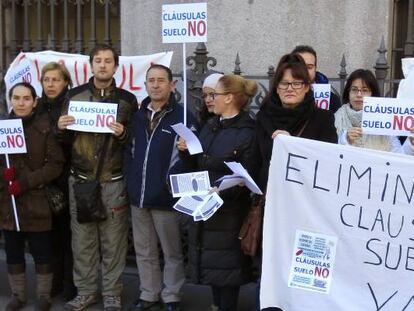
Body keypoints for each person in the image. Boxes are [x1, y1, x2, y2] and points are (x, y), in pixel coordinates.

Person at [255, 53, 338, 311]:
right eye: (284, 84)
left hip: (309, 212)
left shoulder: (322, 119)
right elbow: (258, 161)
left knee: (306, 276)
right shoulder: (263, 118)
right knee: (272, 273)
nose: (290, 89)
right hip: (274, 209)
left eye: (297, 83)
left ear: (306, 87)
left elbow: (328, 163)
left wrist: (293, 145)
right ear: (276, 87)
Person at [57, 44, 138, 311]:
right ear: (91, 65)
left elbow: (135, 143)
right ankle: (86, 291)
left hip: (113, 181)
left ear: (116, 66)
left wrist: (123, 134)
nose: (102, 65)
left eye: (107, 61)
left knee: (113, 241)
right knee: (82, 241)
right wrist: (61, 129)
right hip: (80, 180)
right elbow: (64, 142)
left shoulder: (127, 100)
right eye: (98, 61)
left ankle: (112, 293)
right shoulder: (75, 96)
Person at [177, 74, 257, 311]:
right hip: (204, 208)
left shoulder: (247, 131)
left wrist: (222, 191)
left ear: (229, 98)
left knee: (227, 273)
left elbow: (248, 173)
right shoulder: (211, 125)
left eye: (215, 95)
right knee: (212, 270)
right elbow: (199, 163)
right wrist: (185, 151)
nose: (210, 99)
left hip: (229, 214)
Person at [124, 64, 197, 311]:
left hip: (165, 197)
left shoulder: (183, 117)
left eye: (161, 80)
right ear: (145, 85)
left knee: (172, 251)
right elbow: (130, 152)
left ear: (172, 85)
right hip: (139, 196)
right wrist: (131, 183)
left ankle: (172, 295)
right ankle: (149, 293)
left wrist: (185, 154)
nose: (155, 85)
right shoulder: (137, 116)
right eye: (151, 81)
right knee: (144, 251)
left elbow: (193, 158)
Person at [0, 82, 64, 311]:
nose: (21, 103)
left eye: (26, 98)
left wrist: (25, 182)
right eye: (16, 98)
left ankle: (44, 296)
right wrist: (4, 174)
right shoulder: (2, 127)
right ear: (11, 100)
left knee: (41, 250)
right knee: (14, 250)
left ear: (35, 101)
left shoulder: (45, 126)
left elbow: (56, 164)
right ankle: (18, 295)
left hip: (37, 201)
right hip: (9, 203)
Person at [38, 62, 76, 301]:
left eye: (56, 79)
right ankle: (52, 285)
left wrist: (60, 129)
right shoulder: (36, 106)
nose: (51, 84)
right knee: (48, 237)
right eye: (46, 80)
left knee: (69, 237)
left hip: (66, 179)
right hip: (42, 182)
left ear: (65, 82)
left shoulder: (73, 106)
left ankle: (69, 285)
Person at [334, 68, 414, 153]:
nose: (359, 95)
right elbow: (328, 154)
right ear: (348, 93)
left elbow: (398, 156)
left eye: (365, 90)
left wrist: (411, 143)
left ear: (373, 94)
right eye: (354, 89)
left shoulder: (384, 121)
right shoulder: (336, 118)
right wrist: (345, 139)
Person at [291, 45, 342, 112]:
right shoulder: (281, 97)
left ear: (315, 68)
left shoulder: (332, 100)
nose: (305, 71)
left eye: (309, 67)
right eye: (299, 66)